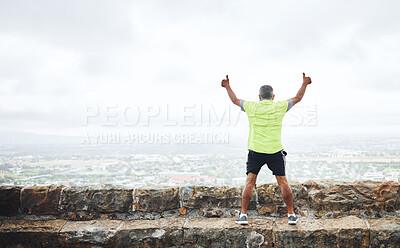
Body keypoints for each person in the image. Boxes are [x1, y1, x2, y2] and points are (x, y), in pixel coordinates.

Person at [221, 73, 312, 225]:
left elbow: (235, 100)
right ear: (273, 96)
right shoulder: (279, 106)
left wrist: (227, 86)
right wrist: (305, 84)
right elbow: (298, 98)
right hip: (275, 151)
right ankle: (291, 215)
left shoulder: (252, 107)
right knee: (283, 182)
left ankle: (243, 215)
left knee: (250, 182)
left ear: (259, 96)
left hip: (255, 151)